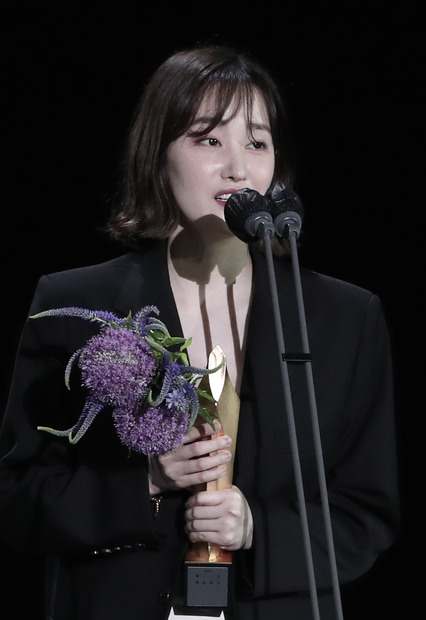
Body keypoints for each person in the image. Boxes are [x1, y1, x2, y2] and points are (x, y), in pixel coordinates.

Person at [0, 44, 398, 620]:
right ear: (157, 154)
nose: (238, 167)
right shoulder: (72, 302)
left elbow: (368, 510)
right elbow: (15, 498)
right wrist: (149, 483)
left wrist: (258, 526)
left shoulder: (343, 316)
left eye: (257, 143)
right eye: (209, 139)